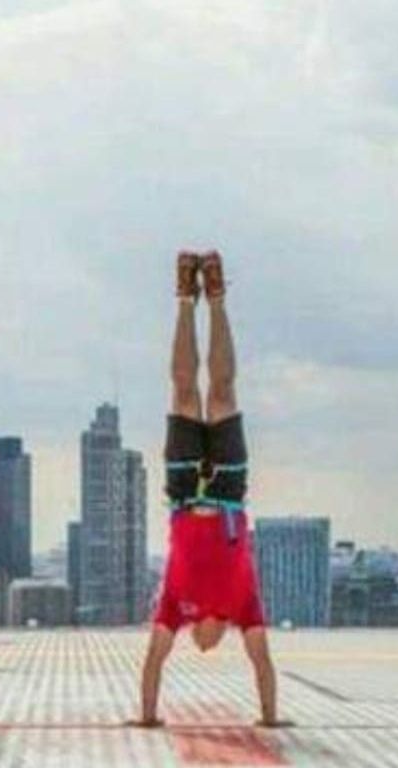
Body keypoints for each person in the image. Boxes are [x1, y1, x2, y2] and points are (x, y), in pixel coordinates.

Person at [134, 251, 284, 728]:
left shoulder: (175, 607)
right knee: (221, 391)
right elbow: (262, 663)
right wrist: (270, 718)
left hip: (183, 490)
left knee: (183, 390)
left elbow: (154, 661)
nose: (202, 647)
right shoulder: (245, 608)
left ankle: (185, 297)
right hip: (227, 492)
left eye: (197, 645)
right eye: (209, 646)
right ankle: (214, 298)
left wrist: (148, 717)